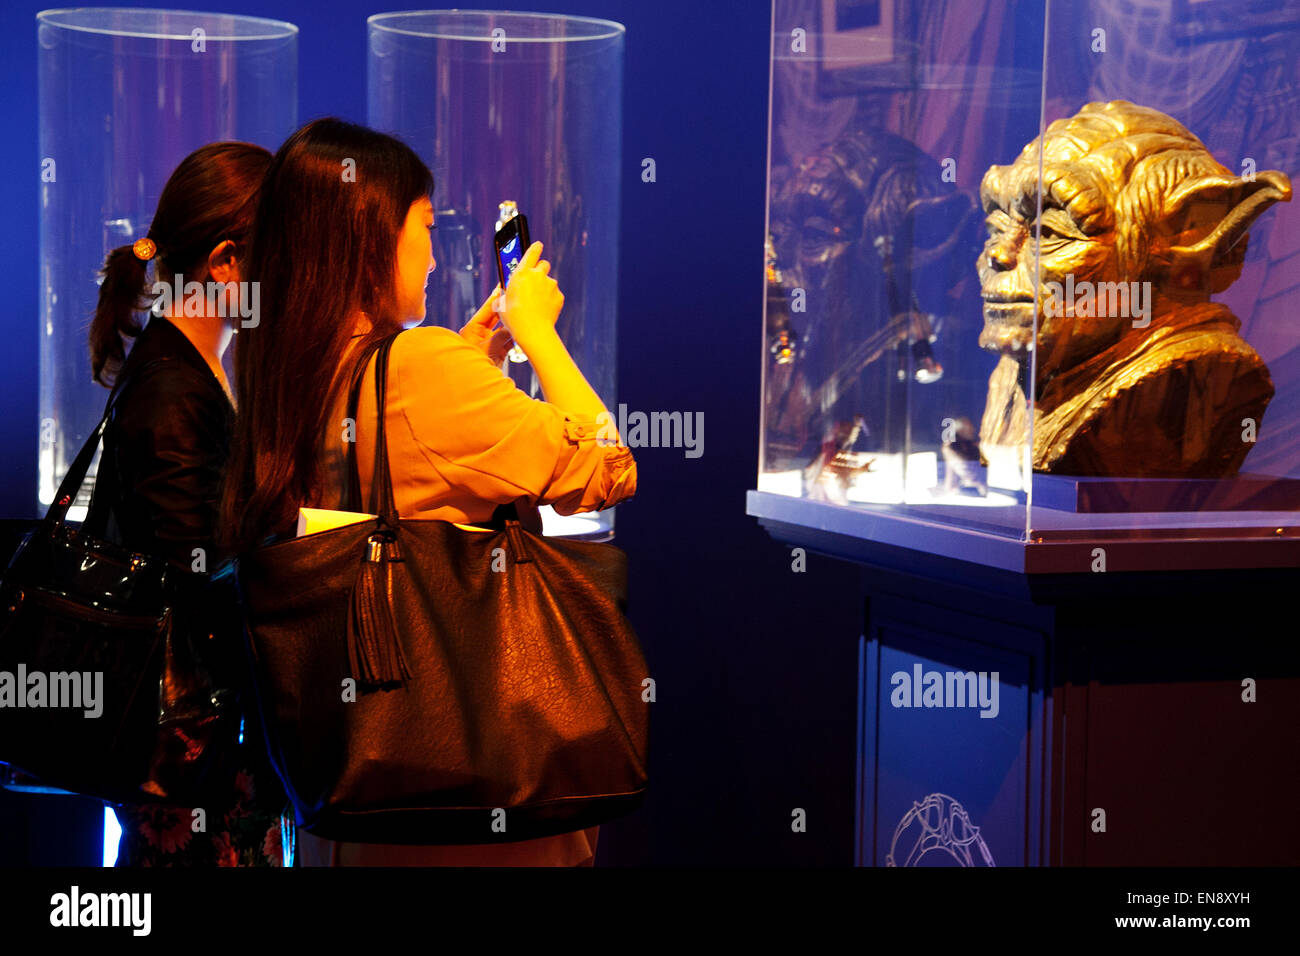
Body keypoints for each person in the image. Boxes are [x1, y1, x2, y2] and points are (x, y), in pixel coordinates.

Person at [220, 117, 636, 866]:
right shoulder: (422, 368)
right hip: (471, 802)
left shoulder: (284, 371)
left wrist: (474, 351)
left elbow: (390, 461)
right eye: (425, 226)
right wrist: (537, 333)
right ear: (371, 237)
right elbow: (606, 469)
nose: (435, 253)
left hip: (344, 801)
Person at [84, 142, 288, 867]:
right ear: (228, 263)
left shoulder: (191, 370)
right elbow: (192, 575)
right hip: (186, 758)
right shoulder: (173, 388)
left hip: (198, 748)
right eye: (287, 254)